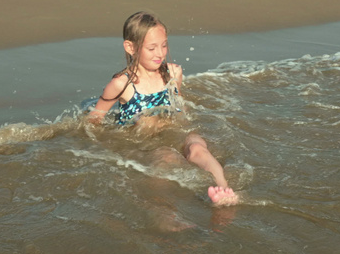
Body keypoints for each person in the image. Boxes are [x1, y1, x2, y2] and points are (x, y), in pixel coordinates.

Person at [88, 11, 238, 206]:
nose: (160, 53)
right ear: (130, 47)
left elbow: (179, 107)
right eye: (152, 48)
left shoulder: (173, 73)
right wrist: (105, 147)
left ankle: (224, 190)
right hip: (144, 142)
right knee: (167, 156)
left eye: (164, 45)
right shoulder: (121, 84)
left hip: (173, 129)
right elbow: (94, 120)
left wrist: (189, 129)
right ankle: (165, 212)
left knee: (197, 148)